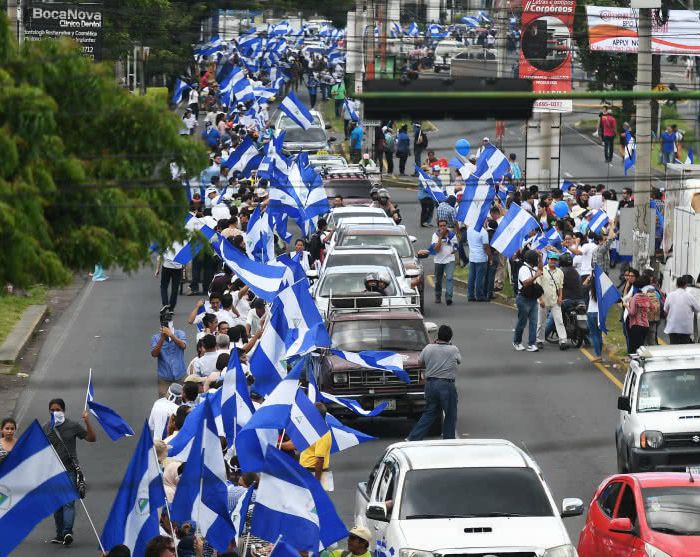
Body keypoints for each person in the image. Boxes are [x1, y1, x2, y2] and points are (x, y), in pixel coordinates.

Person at [44, 398, 97, 546]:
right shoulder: (46, 428)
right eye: (52, 410)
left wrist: (87, 421)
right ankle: (60, 534)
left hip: (70, 470)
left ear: (63, 410)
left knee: (68, 502)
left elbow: (92, 438)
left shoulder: (73, 426)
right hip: (53, 472)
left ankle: (67, 532)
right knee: (57, 505)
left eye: (58, 409)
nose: (55, 412)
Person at [407, 325, 461, 440]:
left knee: (429, 413)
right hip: (446, 384)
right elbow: (459, 361)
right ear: (450, 337)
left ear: (438, 336)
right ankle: (449, 439)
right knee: (450, 414)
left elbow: (419, 363)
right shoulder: (453, 349)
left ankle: (413, 438)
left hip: (430, 384)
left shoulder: (428, 348)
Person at [536, 252, 569, 350]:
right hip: (544, 300)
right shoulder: (542, 270)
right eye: (551, 259)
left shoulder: (560, 272)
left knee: (559, 321)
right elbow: (538, 286)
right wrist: (540, 299)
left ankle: (563, 341)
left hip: (555, 300)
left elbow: (560, 287)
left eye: (555, 260)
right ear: (548, 260)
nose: (553, 261)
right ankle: (539, 340)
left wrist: (560, 297)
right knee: (541, 322)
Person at [513, 250, 543, 352]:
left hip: (533, 298)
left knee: (534, 322)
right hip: (523, 299)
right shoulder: (523, 269)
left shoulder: (532, 267)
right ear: (531, 260)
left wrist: (541, 258)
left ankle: (532, 344)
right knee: (522, 322)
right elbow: (525, 283)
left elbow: (540, 269)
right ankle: (517, 342)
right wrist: (536, 276)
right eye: (536, 259)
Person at [299, 402, 333, 489]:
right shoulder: (313, 430)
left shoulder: (323, 433)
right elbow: (295, 444)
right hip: (307, 471)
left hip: (314, 472)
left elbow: (320, 460)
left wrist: (316, 482)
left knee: (315, 501)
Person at [150, 321, 188, 397]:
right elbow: (154, 354)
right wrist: (162, 339)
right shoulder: (155, 338)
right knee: (164, 401)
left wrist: (171, 335)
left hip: (180, 375)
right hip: (164, 378)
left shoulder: (180, 333)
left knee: (182, 399)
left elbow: (183, 346)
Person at [664, 275, 700, 344]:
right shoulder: (689, 296)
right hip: (685, 328)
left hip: (672, 327)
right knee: (684, 348)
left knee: (673, 346)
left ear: (676, 284)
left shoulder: (670, 295)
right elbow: (698, 309)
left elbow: (665, 310)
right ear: (686, 285)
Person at [430, 220, 459, 305]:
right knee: (438, 280)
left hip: (449, 260)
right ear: (438, 227)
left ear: (446, 226)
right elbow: (436, 249)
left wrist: (453, 250)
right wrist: (440, 238)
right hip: (439, 260)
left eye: (444, 225)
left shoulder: (452, 235)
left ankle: (449, 297)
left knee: (449, 278)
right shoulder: (435, 235)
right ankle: (438, 296)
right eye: (441, 226)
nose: (443, 227)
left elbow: (456, 246)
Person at [625, 275, 652, 354]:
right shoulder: (646, 296)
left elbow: (632, 312)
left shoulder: (635, 297)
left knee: (635, 348)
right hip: (645, 325)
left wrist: (626, 306)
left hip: (636, 325)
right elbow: (652, 308)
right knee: (641, 346)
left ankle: (636, 364)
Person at [466, 223, 490, 302]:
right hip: (481, 258)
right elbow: (486, 247)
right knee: (480, 278)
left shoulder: (469, 229)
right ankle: (479, 295)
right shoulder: (483, 232)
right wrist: (491, 257)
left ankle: (470, 295)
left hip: (472, 256)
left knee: (471, 277)